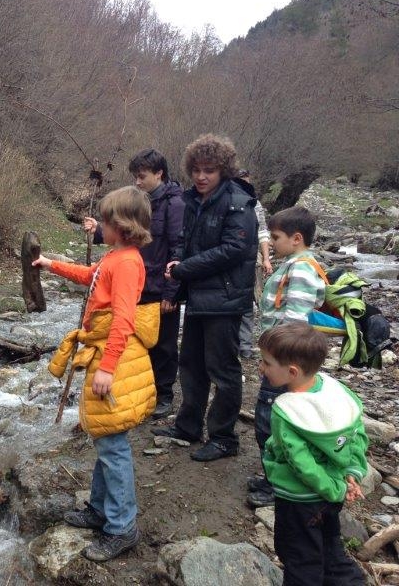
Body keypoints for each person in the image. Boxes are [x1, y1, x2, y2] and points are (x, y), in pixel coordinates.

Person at [34, 186, 159, 562]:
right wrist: (51, 264)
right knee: (106, 441)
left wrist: (106, 368)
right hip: (108, 354)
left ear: (121, 226)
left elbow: (123, 318)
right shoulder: (114, 257)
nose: (100, 226)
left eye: (105, 221)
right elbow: (90, 276)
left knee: (114, 447)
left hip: (114, 359)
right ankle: (101, 509)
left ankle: (122, 528)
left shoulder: (125, 263)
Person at [151, 134, 258, 462]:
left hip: (226, 299)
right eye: (196, 169)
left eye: (209, 170)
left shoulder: (239, 201)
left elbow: (234, 249)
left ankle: (224, 438)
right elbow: (186, 240)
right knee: (191, 363)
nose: (201, 176)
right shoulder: (193, 201)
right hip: (199, 296)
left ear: (223, 169)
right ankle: (188, 426)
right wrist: (178, 262)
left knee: (223, 369)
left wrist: (184, 268)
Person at [259, 322, 367, 586]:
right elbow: (356, 435)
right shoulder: (336, 390)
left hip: (299, 500)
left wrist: (333, 490)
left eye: (266, 363)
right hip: (332, 494)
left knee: (299, 558)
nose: (261, 368)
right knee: (332, 550)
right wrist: (352, 473)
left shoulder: (286, 411)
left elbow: (300, 463)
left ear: (292, 371)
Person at [83, 149, 185, 418]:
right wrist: (99, 231)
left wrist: (171, 293)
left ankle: (163, 396)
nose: (137, 182)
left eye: (142, 176)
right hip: (134, 284)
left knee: (163, 344)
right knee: (134, 344)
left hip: (160, 289)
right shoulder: (139, 202)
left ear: (159, 174)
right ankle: (141, 394)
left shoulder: (175, 204)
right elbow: (125, 235)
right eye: (135, 177)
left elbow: (179, 249)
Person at [247, 206, 327, 507]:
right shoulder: (293, 264)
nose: (272, 242)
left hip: (284, 363)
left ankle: (277, 483)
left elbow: (295, 323)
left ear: (296, 238)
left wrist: (273, 362)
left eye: (276, 237)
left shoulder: (302, 269)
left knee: (271, 422)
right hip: (278, 360)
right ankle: (272, 474)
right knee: (269, 420)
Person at [236, 169, 273, 358]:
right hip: (231, 259)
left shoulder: (255, 204)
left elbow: (263, 233)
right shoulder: (223, 201)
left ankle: (245, 344)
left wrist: (266, 258)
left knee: (251, 300)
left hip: (252, 259)